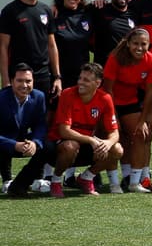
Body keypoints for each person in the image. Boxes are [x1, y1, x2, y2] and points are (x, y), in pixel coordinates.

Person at [14, 63, 121, 198]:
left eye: (86, 80)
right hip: (58, 148)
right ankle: (56, 181)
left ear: (97, 83)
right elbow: (64, 131)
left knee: (117, 149)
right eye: (80, 78)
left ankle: (87, 178)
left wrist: (108, 143)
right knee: (70, 146)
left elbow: (114, 132)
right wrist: (91, 139)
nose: (80, 82)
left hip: (85, 146)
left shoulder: (105, 99)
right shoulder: (68, 94)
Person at [102, 27, 152, 193]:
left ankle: (134, 182)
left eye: (144, 44)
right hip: (109, 103)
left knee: (140, 135)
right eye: (135, 43)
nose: (139, 48)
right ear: (128, 44)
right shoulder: (115, 58)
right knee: (114, 140)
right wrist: (114, 117)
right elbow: (108, 90)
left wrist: (144, 119)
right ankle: (114, 183)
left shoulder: (151, 60)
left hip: (130, 102)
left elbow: (150, 92)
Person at [0, 0, 61, 99]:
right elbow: (3, 47)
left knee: (42, 115)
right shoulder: (9, 11)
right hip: (19, 76)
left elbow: (51, 45)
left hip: (43, 76)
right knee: (16, 116)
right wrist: (5, 80)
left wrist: (57, 77)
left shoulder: (46, 10)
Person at [1, 64, 46, 196]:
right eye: (20, 81)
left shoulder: (39, 97)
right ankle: (7, 179)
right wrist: (14, 144)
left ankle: (36, 179)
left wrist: (35, 142)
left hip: (24, 139)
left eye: (28, 81)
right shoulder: (1, 99)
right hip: (6, 141)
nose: (24, 85)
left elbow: (40, 125)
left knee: (48, 143)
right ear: (11, 81)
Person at [52, 0, 93, 96]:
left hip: (81, 76)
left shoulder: (89, 13)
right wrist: (56, 76)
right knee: (54, 111)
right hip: (59, 74)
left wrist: (101, 0)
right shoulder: (54, 15)